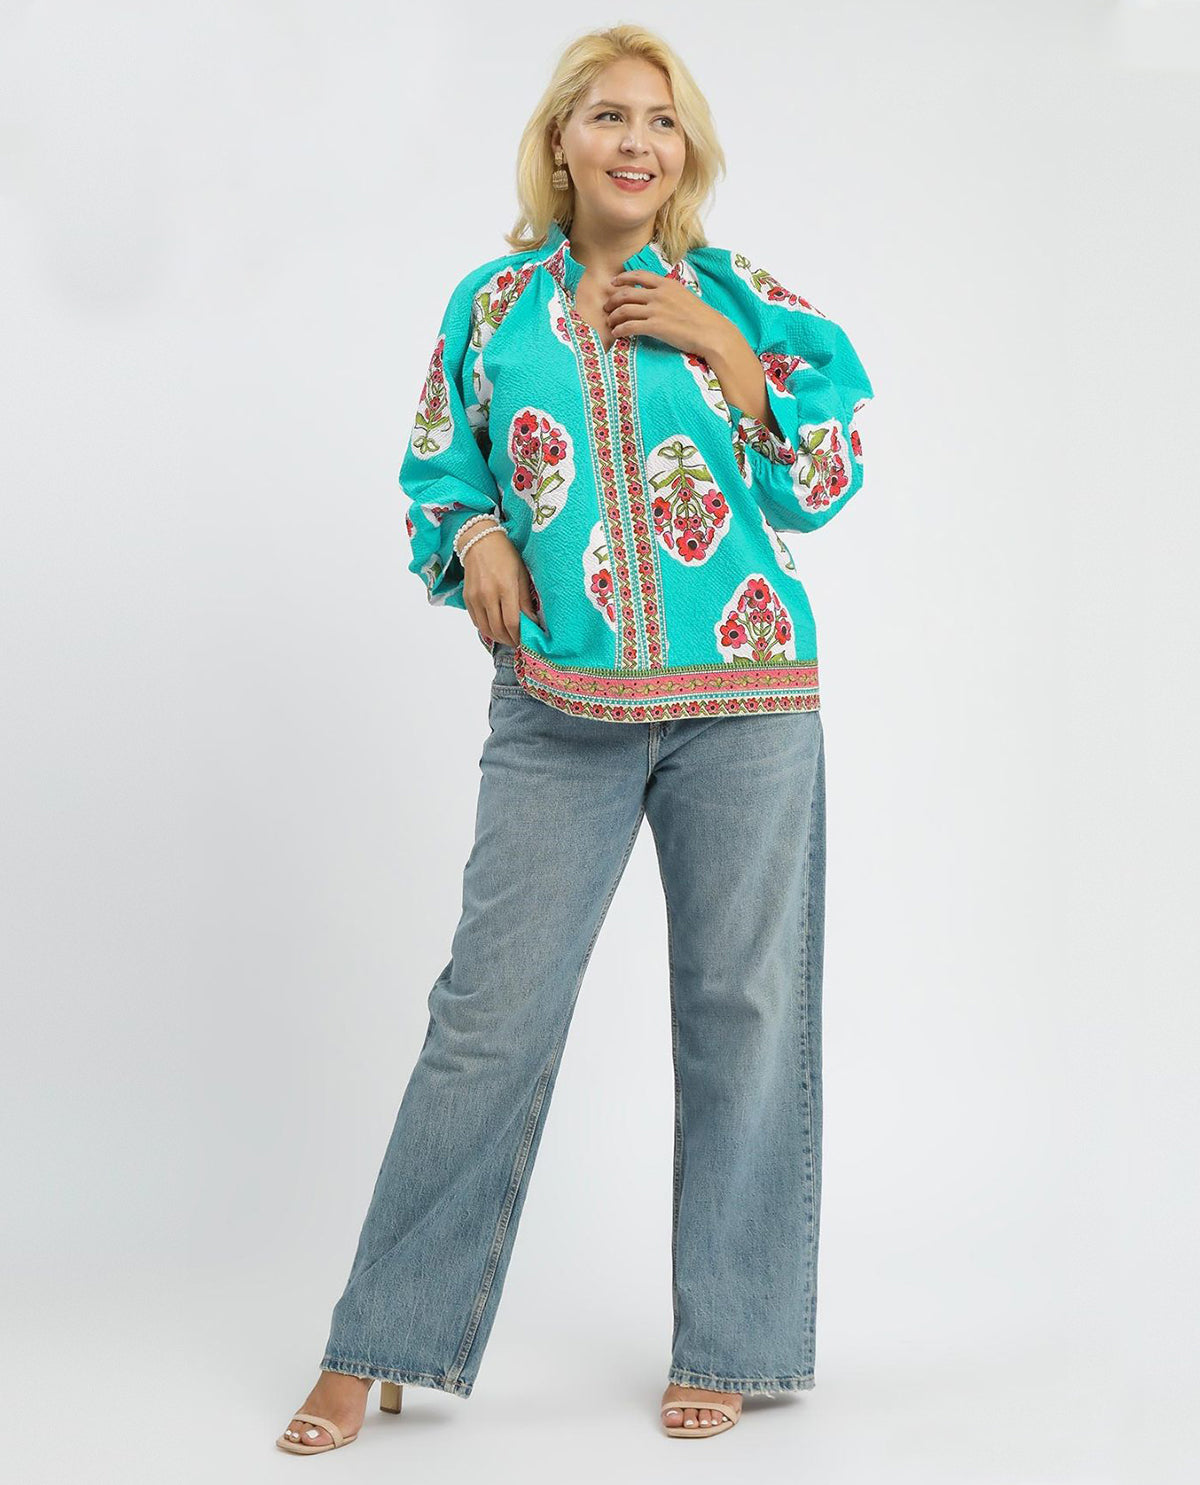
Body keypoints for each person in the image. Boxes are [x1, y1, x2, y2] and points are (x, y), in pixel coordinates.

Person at [277, 21, 873, 1455]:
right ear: (562, 141)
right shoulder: (491, 307)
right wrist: (477, 535)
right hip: (560, 709)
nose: (635, 141)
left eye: (660, 121)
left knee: (745, 1015)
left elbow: (827, 476)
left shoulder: (741, 293)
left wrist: (725, 352)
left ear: (686, 150)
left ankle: (733, 1340)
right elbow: (439, 467)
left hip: (746, 704)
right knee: (487, 1021)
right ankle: (379, 1337)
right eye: (607, 115)